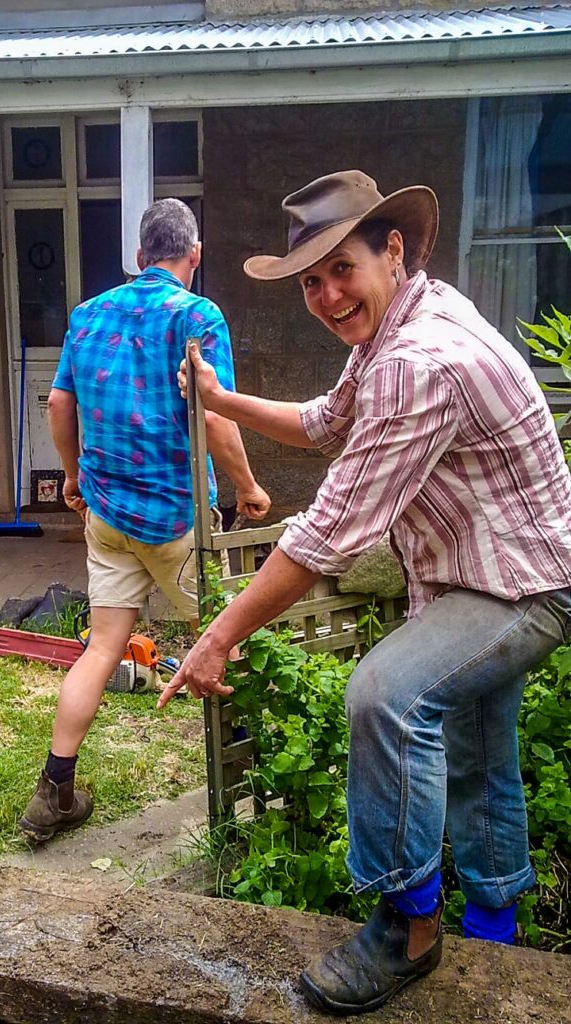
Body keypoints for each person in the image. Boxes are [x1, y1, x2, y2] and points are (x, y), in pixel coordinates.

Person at [158, 170, 571, 1015]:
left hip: (523, 587)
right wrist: (217, 397)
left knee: (385, 696)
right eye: (310, 279)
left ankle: (405, 930)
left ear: (392, 249)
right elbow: (324, 425)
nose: (326, 294)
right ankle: (497, 942)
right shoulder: (400, 328)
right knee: (479, 743)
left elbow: (326, 534)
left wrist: (218, 635)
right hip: (486, 575)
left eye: (340, 268)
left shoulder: (419, 362)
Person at [18, 198, 271, 843]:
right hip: (176, 520)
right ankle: (260, 777)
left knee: (102, 648)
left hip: (107, 516)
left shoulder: (87, 314)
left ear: (138, 256)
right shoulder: (196, 316)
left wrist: (72, 477)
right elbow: (214, 414)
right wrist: (247, 486)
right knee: (225, 639)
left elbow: (58, 401)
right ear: (194, 255)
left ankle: (55, 790)